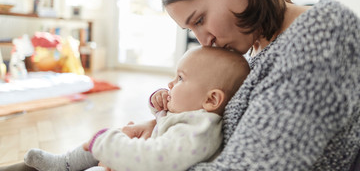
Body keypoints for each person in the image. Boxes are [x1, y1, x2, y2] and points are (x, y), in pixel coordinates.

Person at [127, 0, 360, 170]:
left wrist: (144, 162)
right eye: (192, 29)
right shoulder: (254, 53)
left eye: (200, 20)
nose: (204, 41)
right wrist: (165, 132)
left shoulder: (322, 31)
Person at [14, 47, 250, 171]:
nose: (170, 84)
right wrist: (157, 104)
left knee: (106, 141)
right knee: (108, 139)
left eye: (180, 78)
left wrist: (108, 143)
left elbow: (158, 158)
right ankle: (63, 164)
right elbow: (163, 118)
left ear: (211, 100)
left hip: (144, 162)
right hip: (139, 159)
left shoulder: (197, 131)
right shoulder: (192, 114)